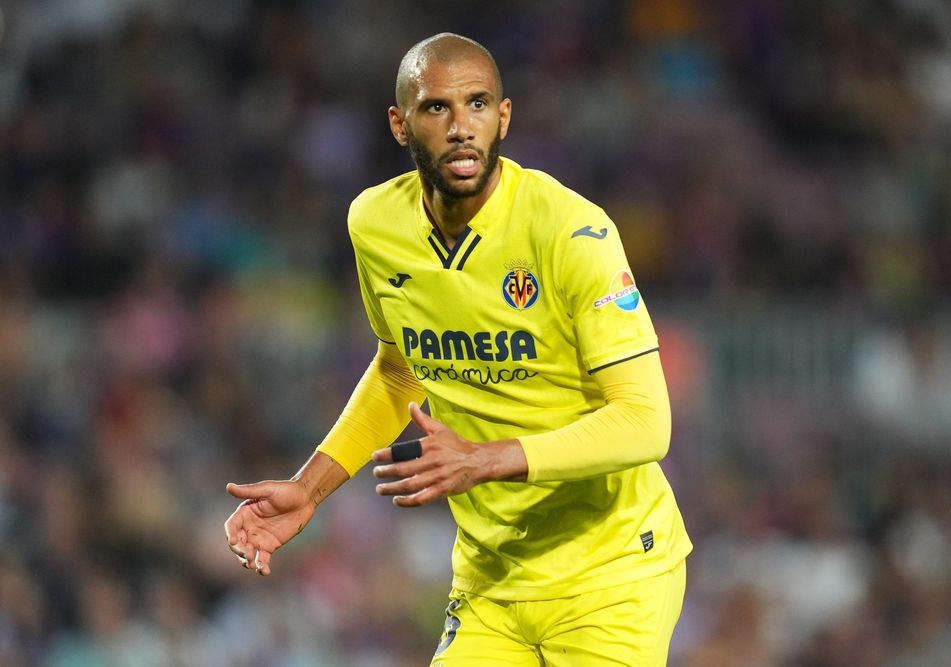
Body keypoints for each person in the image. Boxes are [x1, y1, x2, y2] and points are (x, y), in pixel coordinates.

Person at [225, 32, 692, 666]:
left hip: (610, 577)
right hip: (491, 582)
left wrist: (486, 459)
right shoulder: (375, 224)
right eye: (436, 108)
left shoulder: (572, 232)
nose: (460, 126)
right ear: (400, 123)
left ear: (504, 116)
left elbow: (646, 423)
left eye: (477, 104)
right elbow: (400, 370)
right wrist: (310, 489)